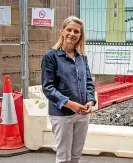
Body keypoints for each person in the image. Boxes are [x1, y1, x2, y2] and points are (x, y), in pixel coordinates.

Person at [41, 16, 96, 163]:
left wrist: (91, 99)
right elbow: (48, 88)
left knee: (76, 156)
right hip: (62, 114)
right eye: (69, 29)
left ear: (80, 35)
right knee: (64, 157)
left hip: (83, 113)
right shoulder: (51, 57)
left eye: (76, 31)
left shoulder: (82, 57)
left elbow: (89, 82)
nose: (72, 34)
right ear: (62, 31)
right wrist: (69, 103)